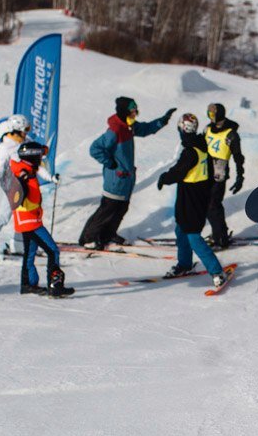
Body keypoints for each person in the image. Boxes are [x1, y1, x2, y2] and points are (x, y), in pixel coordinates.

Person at [78, 96, 175, 249]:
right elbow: (95, 148)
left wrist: (162, 120)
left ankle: (108, 234)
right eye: (133, 111)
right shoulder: (115, 130)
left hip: (126, 180)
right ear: (124, 112)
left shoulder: (128, 126)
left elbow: (145, 129)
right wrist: (110, 163)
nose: (135, 113)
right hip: (115, 180)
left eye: (136, 110)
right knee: (107, 210)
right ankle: (89, 238)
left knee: (121, 209)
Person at [157, 114, 228, 289]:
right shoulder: (201, 147)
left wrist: (164, 178)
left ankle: (217, 271)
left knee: (193, 236)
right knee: (181, 230)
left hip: (192, 199)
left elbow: (178, 172)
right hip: (191, 196)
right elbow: (209, 175)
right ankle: (184, 264)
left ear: (182, 130)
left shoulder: (190, 151)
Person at [12, 141, 74, 297]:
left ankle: (28, 284)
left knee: (30, 253)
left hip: (27, 220)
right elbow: (18, 196)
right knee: (52, 250)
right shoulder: (23, 174)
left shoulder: (27, 170)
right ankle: (55, 286)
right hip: (30, 222)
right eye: (39, 155)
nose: (41, 158)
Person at [0, 114, 32, 258]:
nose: (26, 133)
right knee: (4, 216)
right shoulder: (6, 146)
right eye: (24, 130)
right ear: (16, 130)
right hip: (11, 185)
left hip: (25, 185)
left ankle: (19, 243)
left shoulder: (26, 141)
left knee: (24, 214)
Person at [204, 102, 246, 249]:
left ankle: (219, 239)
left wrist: (240, 176)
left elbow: (238, 157)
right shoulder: (208, 129)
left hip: (219, 174)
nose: (210, 117)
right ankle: (220, 233)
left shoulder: (231, 134)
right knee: (210, 206)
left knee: (212, 206)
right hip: (204, 172)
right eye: (208, 113)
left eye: (212, 114)